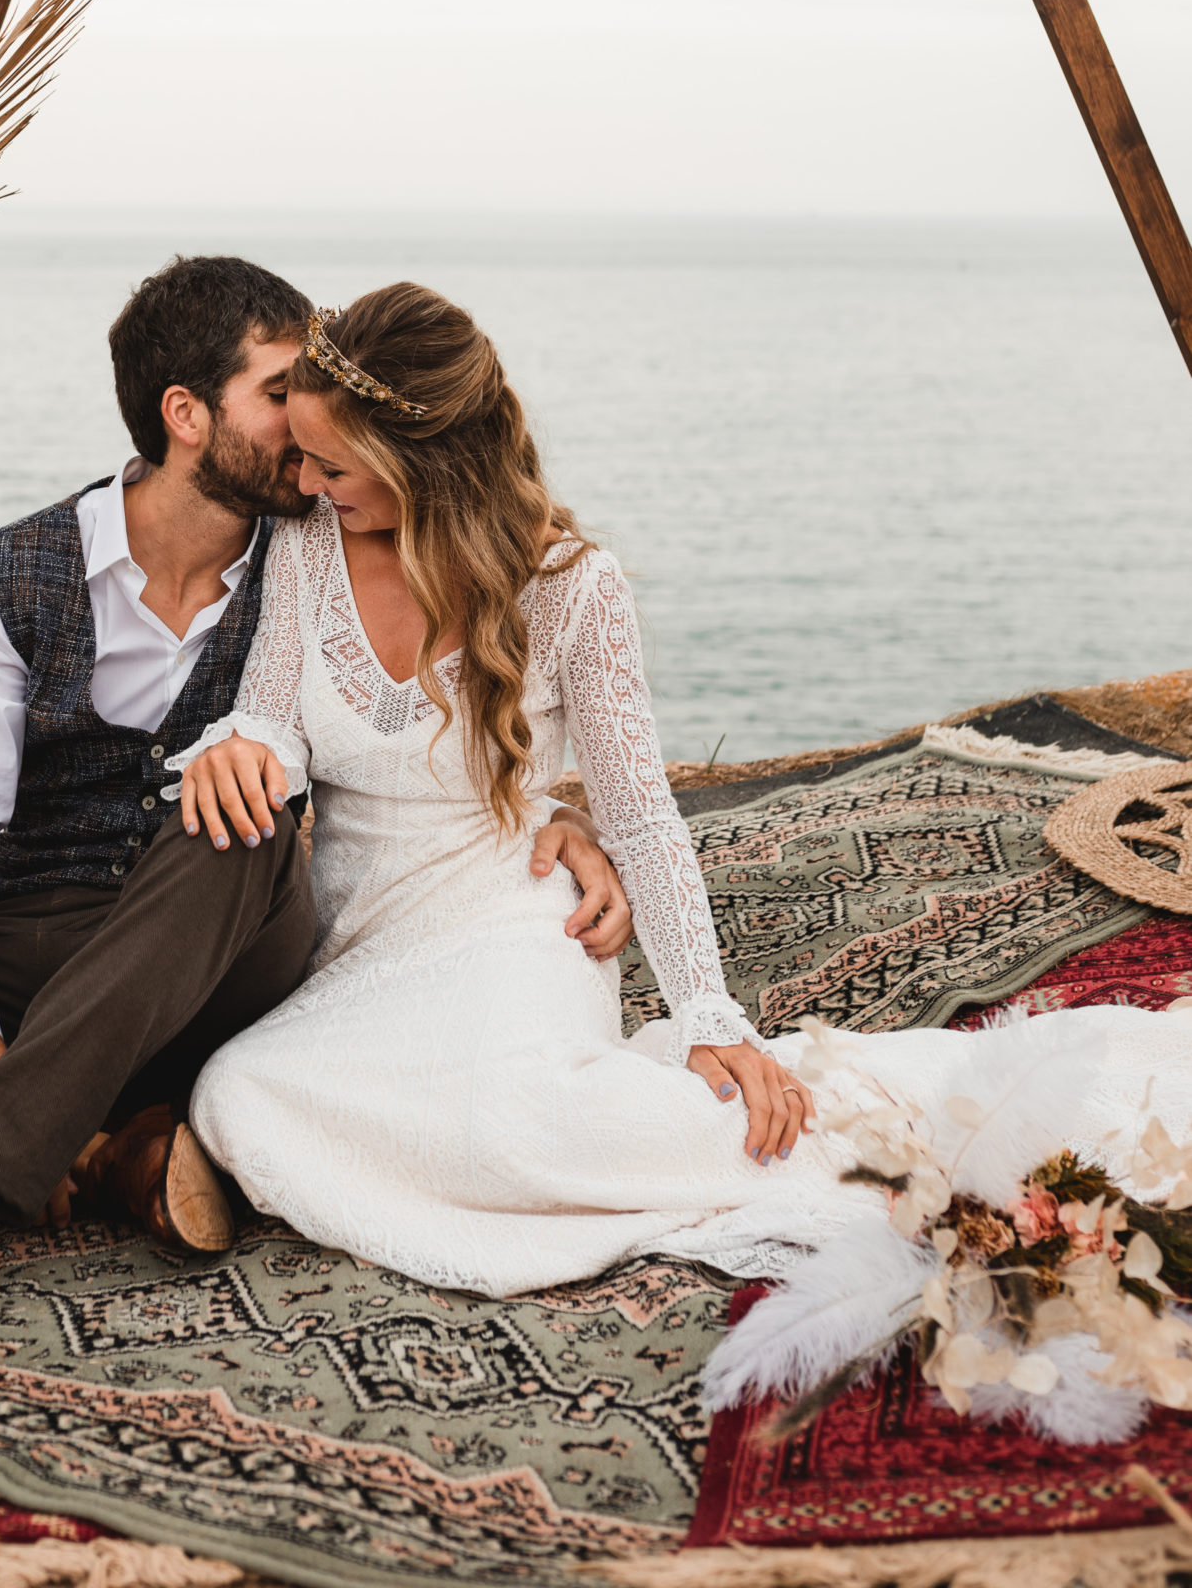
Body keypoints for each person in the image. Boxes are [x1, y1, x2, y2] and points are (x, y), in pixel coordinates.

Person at [0, 255, 632, 1369]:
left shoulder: (322, 546)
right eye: (283, 391)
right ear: (187, 415)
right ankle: (103, 1148)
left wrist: (566, 811)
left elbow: (458, 692)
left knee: (242, 809)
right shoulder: (23, 575)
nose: (315, 423)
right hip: (36, 948)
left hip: (215, 952)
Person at [172, 284, 1192, 1299]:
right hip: (363, 934)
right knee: (238, 1098)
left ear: (420, 461)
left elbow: (642, 815)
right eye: (301, 453)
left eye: (330, 461)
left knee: (518, 1119)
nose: (301, 478)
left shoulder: (573, 582)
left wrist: (709, 1012)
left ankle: (906, 1135)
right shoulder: (304, 544)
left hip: (510, 909)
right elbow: (269, 718)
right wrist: (239, 744)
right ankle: (600, 1129)